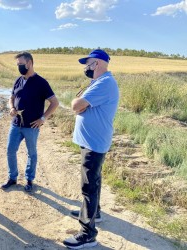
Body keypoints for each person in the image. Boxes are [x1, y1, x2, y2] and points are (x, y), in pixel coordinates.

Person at [63, 49, 119, 249]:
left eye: (87, 63)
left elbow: (76, 105)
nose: (85, 67)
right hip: (92, 141)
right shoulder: (98, 83)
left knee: (88, 186)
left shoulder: (105, 83)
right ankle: (94, 212)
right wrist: (81, 106)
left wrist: (78, 105)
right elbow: (81, 106)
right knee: (94, 179)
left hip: (95, 143)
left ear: (97, 63)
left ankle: (88, 234)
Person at [1, 51, 59, 192]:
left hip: (32, 126)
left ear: (30, 63)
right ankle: (12, 178)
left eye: (21, 64)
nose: (19, 67)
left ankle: (29, 180)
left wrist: (43, 118)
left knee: (31, 153)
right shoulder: (18, 80)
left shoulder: (41, 83)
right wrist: (11, 107)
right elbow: (11, 97)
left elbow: (54, 103)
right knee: (10, 150)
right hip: (16, 124)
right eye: (17, 64)